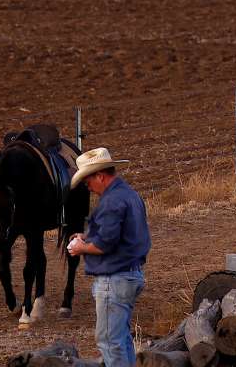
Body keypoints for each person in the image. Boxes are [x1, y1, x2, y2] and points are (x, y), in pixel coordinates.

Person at [67, 148, 150, 367]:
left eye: (88, 181)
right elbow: (123, 233)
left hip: (114, 279)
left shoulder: (111, 201)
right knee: (121, 338)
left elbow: (104, 244)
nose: (88, 187)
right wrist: (88, 236)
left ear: (100, 176)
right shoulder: (129, 194)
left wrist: (80, 247)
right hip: (131, 274)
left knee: (109, 340)